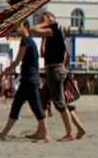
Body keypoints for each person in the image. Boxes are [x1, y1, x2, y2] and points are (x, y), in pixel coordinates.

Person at [0, 24, 50, 141]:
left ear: (26, 27)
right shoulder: (29, 41)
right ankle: (4, 133)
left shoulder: (26, 41)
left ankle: (45, 133)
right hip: (27, 80)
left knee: (36, 107)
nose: (17, 29)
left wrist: (2, 73)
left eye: (19, 26)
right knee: (17, 106)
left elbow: (17, 62)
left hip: (30, 80)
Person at [29, 12, 80, 141]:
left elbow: (33, 29)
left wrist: (46, 23)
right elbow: (43, 53)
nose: (42, 21)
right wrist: (44, 38)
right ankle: (41, 131)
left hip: (55, 71)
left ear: (51, 20)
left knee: (60, 104)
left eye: (44, 19)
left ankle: (70, 133)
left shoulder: (54, 30)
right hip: (52, 70)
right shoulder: (51, 33)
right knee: (42, 101)